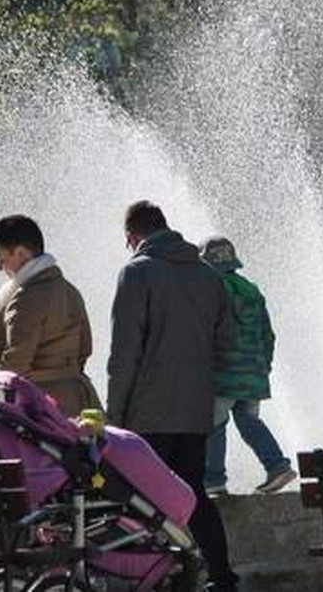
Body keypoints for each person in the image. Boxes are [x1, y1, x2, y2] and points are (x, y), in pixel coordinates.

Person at [107, 200, 239, 592]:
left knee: (142, 499)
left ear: (132, 236)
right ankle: (221, 577)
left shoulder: (136, 273)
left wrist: (114, 416)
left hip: (148, 413)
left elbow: (124, 353)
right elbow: (227, 341)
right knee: (192, 493)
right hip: (196, 411)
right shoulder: (209, 276)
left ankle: (154, 578)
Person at [198, 236, 298, 496]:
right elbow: (268, 336)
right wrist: (263, 367)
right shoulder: (252, 289)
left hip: (223, 374)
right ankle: (277, 466)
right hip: (254, 373)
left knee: (214, 424)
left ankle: (214, 479)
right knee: (249, 421)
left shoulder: (211, 288)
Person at [0, 214, 102, 416]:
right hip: (80, 400)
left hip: (41, 409)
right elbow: (85, 348)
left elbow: (15, 363)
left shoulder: (26, 297)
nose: (0, 267)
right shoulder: (70, 290)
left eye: (2, 258)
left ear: (22, 253)